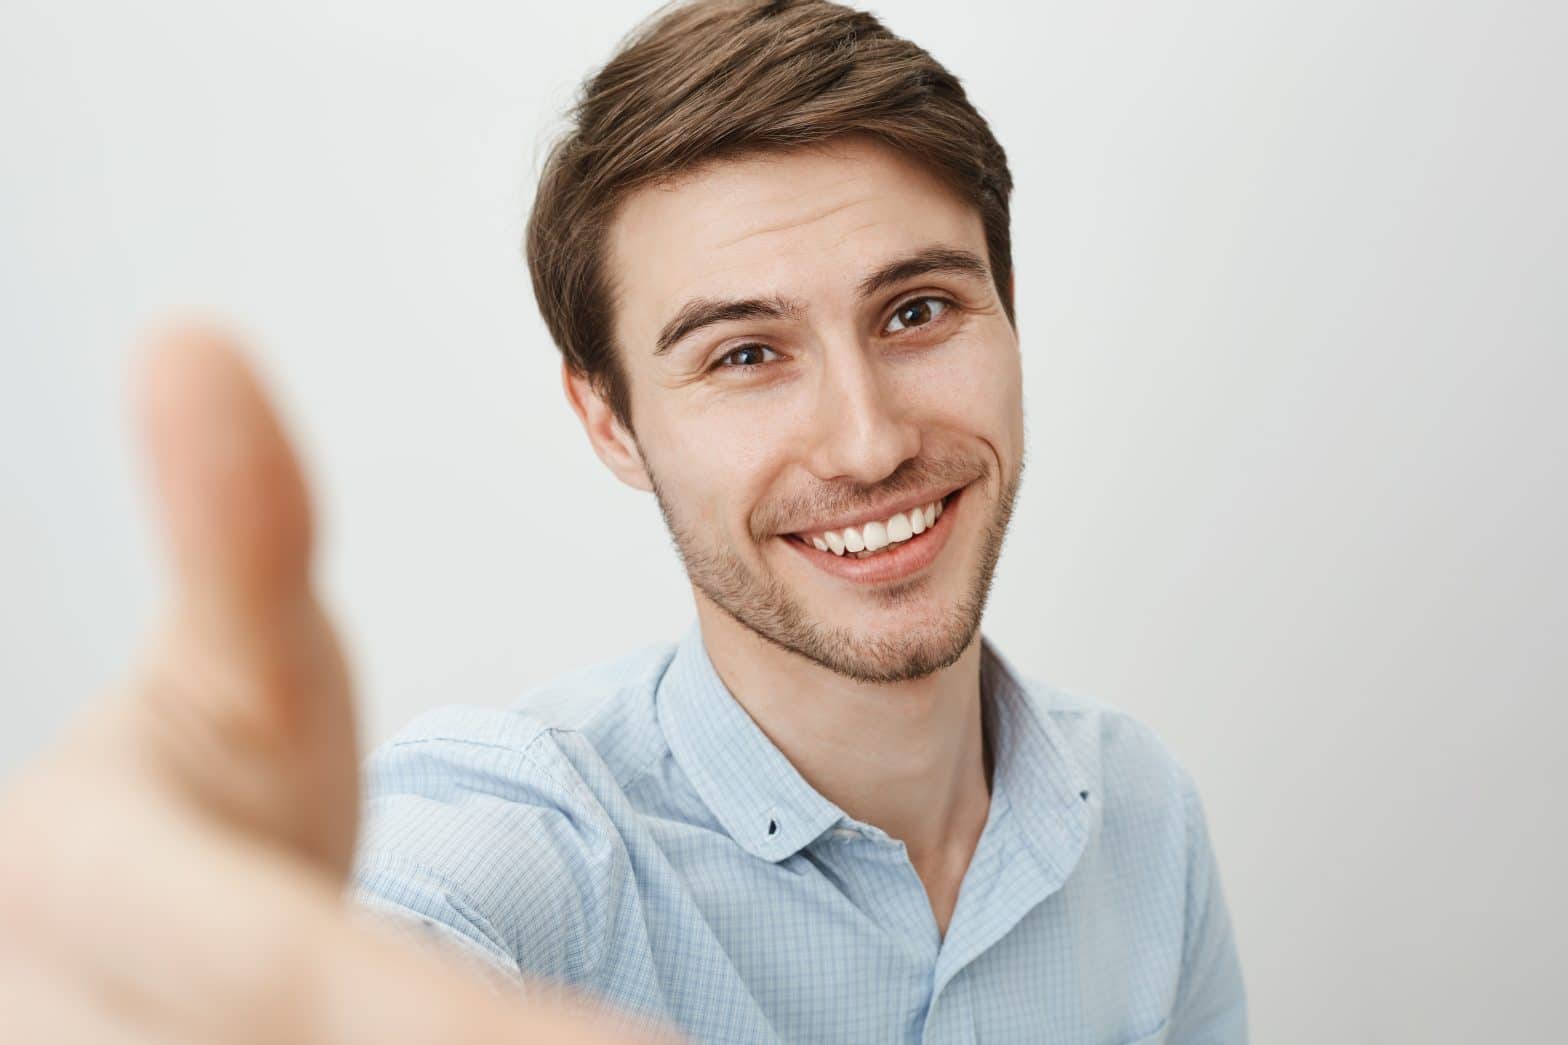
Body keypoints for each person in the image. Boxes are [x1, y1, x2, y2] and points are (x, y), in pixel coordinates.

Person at [0, 1, 1246, 1042]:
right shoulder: (535, 851)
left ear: (1007, 311)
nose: (869, 442)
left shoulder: (1139, 816)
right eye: (747, 352)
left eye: (916, 311)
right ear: (609, 422)